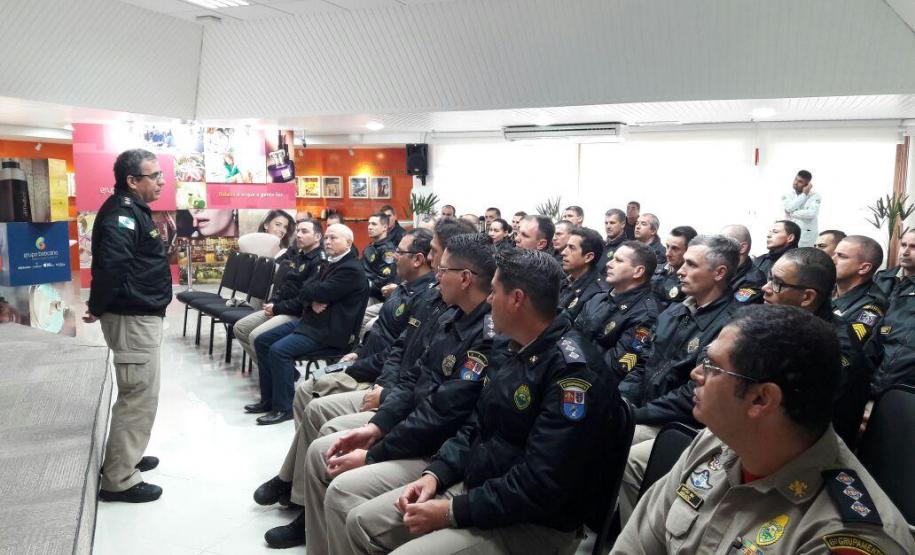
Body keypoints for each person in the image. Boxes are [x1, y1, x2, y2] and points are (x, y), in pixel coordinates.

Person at [344, 249, 623, 555]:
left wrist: (453, 511)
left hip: (535, 522)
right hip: (483, 487)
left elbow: (540, 484)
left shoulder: (573, 373)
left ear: (516, 299)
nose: (489, 300)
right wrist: (436, 474)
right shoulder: (512, 346)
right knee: (361, 521)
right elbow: (477, 424)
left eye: (494, 291)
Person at [612, 305, 915, 555]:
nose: (695, 373)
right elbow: (634, 547)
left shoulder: (842, 537)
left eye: (712, 366)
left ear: (761, 399)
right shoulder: (714, 443)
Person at [253, 219, 473, 549]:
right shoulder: (433, 302)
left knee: (321, 424)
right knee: (310, 395)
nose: (435, 267)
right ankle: (298, 495)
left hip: (397, 400)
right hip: (382, 379)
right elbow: (404, 351)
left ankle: (300, 499)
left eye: (438, 259)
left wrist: (380, 433)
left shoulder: (470, 326)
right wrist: (371, 373)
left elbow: (437, 402)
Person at [299, 233, 497, 555]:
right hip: (416, 430)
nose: (436, 273)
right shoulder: (451, 316)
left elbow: (440, 415)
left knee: (342, 489)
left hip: (433, 446)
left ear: (464, 278)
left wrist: (376, 451)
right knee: (326, 449)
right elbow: (414, 375)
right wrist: (377, 426)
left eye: (442, 268)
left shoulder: (487, 338)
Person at [617, 235, 740, 521]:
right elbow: (643, 361)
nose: (680, 270)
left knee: (623, 451)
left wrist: (638, 414)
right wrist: (623, 400)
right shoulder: (675, 310)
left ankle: (637, 534)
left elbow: (695, 390)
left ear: (719, 273)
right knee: (603, 430)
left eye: (691, 264)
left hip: (680, 422)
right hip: (648, 409)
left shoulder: (732, 325)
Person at [85, 149, 172, 503]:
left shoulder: (131, 209)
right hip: (132, 318)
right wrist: (96, 305)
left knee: (137, 393)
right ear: (132, 181)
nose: (161, 181)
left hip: (138, 315)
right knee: (138, 397)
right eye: (154, 176)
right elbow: (111, 266)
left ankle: (127, 457)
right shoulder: (122, 213)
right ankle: (119, 479)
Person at [250, 224, 368, 425]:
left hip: (329, 331)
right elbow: (306, 289)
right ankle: (268, 399)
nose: (328, 242)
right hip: (311, 322)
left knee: (279, 351)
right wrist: (313, 296)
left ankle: (284, 407)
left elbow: (314, 290)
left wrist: (314, 293)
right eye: (327, 238)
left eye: (334, 238)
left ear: (348, 242)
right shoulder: (329, 262)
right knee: (262, 341)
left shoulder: (350, 269)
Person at [762, 248, 872, 447]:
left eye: (777, 283)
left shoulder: (831, 349)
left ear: (807, 298)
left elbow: (798, 423)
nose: (765, 288)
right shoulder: (786, 321)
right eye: (770, 278)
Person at [234, 218, 326, 369]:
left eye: (304, 231)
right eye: (297, 231)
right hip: (281, 307)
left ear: (317, 237)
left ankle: (277, 374)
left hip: (297, 313)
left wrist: (277, 308)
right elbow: (285, 285)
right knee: (241, 328)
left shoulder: (320, 262)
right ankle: (274, 372)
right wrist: (273, 302)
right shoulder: (298, 255)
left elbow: (304, 300)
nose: (299, 235)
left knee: (255, 336)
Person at [575, 240, 659, 379]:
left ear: (638, 271)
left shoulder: (645, 316)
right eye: (612, 258)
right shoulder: (598, 298)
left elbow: (616, 366)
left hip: (595, 383)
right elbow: (572, 334)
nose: (609, 263)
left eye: (618, 261)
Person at [870, 229, 915, 395]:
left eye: (914, 246)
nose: (906, 251)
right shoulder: (881, 278)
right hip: (863, 367)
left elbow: (904, 347)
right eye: (903, 245)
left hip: (891, 381)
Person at [831, 235, 887, 344]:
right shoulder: (826, 288)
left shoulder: (872, 306)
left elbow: (848, 346)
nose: (832, 260)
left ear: (864, 268)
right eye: (834, 254)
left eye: (841, 256)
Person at [558, 227, 605, 319]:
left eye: (571, 248)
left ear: (588, 257)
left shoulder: (597, 294)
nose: (563, 252)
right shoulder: (562, 280)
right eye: (566, 246)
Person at [650, 225, 697, 309]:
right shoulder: (656, 269)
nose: (667, 253)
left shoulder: (691, 283)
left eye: (675, 249)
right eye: (667, 246)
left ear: (689, 250)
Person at [721, 224, 767, 305]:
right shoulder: (726, 269)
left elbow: (731, 312)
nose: (716, 248)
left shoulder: (753, 282)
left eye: (723, 243)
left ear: (742, 248)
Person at [362, 213, 398, 304]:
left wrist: (362, 284)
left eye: (374, 224)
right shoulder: (369, 247)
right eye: (369, 224)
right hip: (363, 290)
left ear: (385, 227)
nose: (369, 227)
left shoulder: (388, 250)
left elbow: (385, 279)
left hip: (375, 296)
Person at [782, 169, 821, 247]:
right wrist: (804, 194)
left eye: (800, 181)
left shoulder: (815, 196)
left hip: (807, 236)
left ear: (807, 185)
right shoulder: (787, 195)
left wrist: (792, 213)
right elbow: (789, 207)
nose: (795, 183)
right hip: (790, 233)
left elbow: (812, 213)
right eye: (795, 179)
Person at [595, 208, 627, 278]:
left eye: (612, 223)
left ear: (623, 224)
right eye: (606, 223)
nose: (608, 226)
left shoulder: (626, 248)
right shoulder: (601, 245)